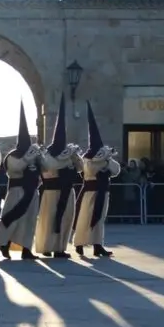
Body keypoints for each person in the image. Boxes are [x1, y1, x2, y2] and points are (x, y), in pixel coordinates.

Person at [0, 102, 42, 259]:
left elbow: (46, 168)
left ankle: (26, 248)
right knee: (13, 218)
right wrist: (28, 157)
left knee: (29, 221)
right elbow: (16, 168)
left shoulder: (34, 155)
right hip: (17, 191)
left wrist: (40, 155)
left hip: (31, 191)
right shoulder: (13, 155)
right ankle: (4, 244)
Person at [34, 96, 83, 258]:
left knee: (65, 219)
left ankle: (60, 248)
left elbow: (81, 168)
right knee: (48, 220)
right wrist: (64, 158)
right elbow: (50, 167)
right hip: (51, 192)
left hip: (67, 191)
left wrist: (75, 157)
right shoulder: (47, 154)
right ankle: (47, 246)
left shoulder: (68, 155)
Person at [72, 103, 122, 258]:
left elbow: (116, 170)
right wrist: (101, 161)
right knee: (85, 217)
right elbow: (90, 171)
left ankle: (97, 245)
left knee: (99, 219)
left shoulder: (105, 160)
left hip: (103, 191)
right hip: (90, 192)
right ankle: (79, 243)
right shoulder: (88, 159)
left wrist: (107, 160)